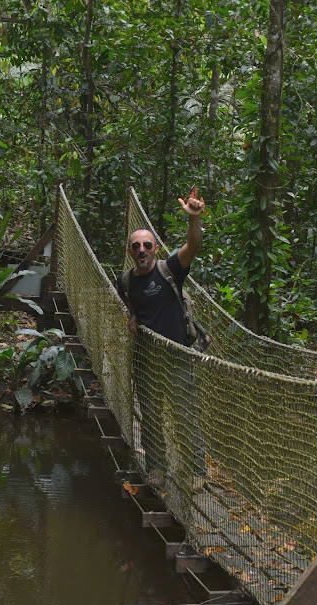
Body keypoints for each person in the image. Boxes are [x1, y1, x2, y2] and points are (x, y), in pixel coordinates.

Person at [117, 193, 205, 490]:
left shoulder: (171, 269)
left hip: (177, 355)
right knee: (151, 414)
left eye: (146, 245)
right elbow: (131, 304)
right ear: (130, 251)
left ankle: (196, 471)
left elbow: (193, 246)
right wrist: (132, 317)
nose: (141, 250)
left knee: (184, 413)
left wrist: (193, 218)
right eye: (136, 246)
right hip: (145, 357)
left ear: (156, 248)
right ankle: (156, 467)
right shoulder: (125, 280)